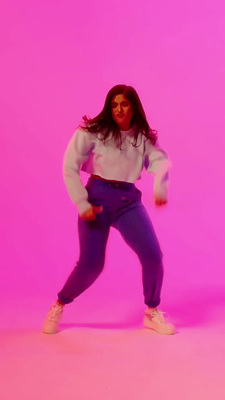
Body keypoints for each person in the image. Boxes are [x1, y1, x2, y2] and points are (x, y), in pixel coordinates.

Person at [42, 84, 175, 335]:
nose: (119, 109)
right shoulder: (94, 132)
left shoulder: (142, 138)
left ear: (133, 106)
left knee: (153, 255)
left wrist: (160, 189)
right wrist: (82, 202)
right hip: (97, 199)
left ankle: (152, 310)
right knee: (91, 265)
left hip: (128, 203)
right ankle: (60, 303)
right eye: (114, 105)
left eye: (124, 104)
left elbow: (161, 163)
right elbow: (69, 166)